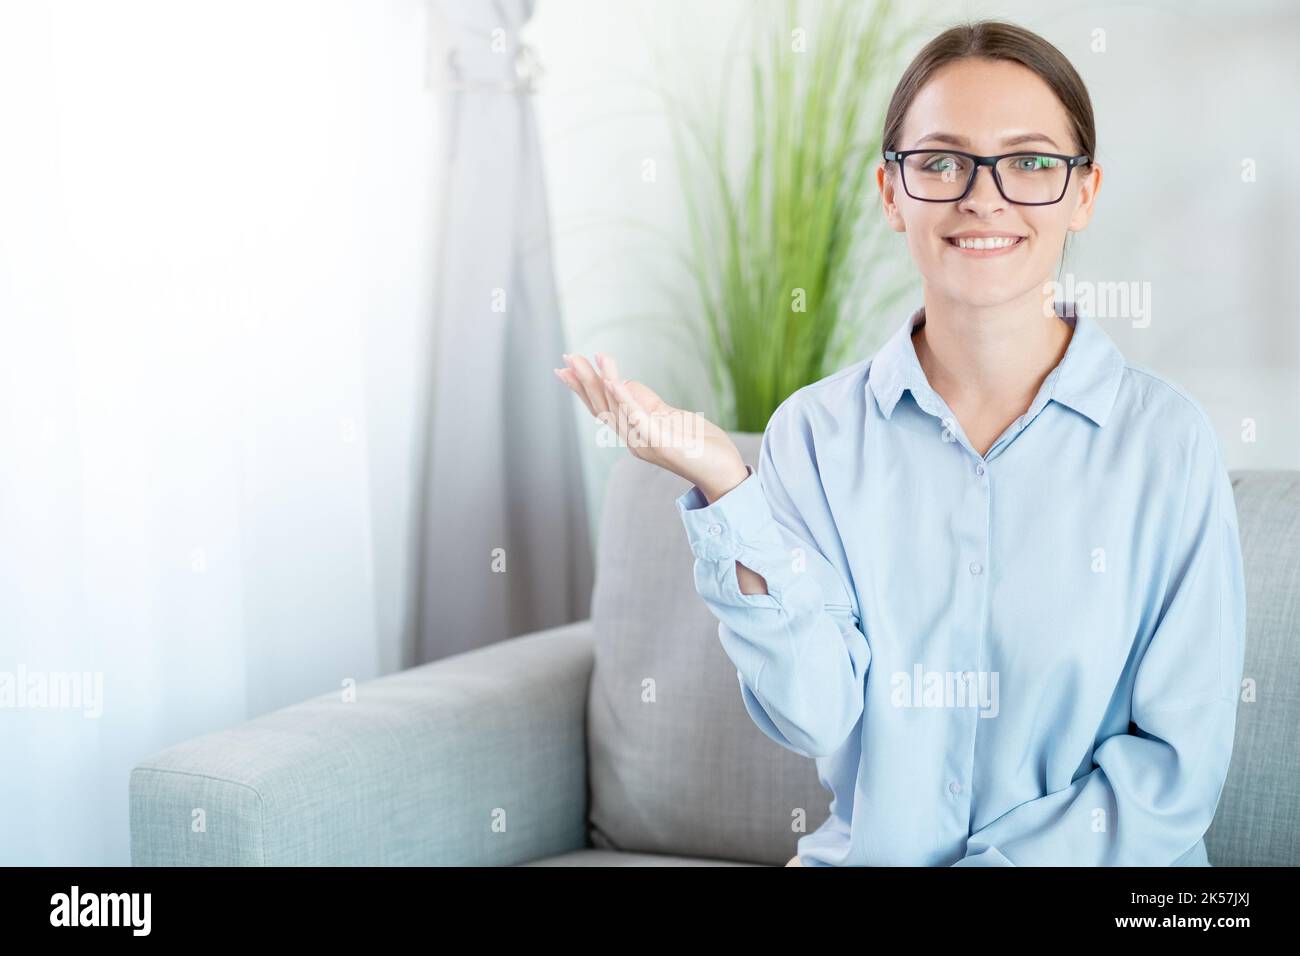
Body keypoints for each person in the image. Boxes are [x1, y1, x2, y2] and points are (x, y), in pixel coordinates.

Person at [554, 19, 1245, 867]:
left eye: (1030, 162)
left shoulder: (1166, 445)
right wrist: (729, 487)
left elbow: (1174, 772)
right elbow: (814, 711)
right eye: (942, 162)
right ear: (892, 193)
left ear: (1084, 193)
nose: (982, 197)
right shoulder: (813, 433)